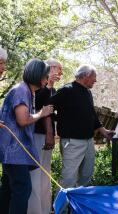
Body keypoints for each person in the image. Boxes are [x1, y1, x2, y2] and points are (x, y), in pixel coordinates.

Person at [49, 64, 113, 193]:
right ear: (85, 76)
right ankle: (61, 210)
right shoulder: (66, 90)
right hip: (71, 142)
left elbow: (92, 115)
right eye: (94, 77)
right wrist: (55, 125)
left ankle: (76, 206)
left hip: (88, 141)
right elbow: (48, 107)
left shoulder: (88, 92)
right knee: (68, 179)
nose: (95, 80)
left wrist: (103, 131)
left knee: (86, 174)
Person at [0, 59, 53, 214]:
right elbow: (23, 120)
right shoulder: (22, 90)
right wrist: (42, 113)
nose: (47, 78)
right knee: (23, 188)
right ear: (38, 75)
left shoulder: (27, 91)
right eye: (45, 75)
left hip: (12, 151)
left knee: (8, 188)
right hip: (13, 151)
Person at [27, 59, 63, 214]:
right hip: (36, 135)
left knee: (45, 175)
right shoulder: (35, 87)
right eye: (58, 69)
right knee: (35, 175)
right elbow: (40, 105)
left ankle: (45, 209)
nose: (60, 73)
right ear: (50, 68)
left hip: (46, 137)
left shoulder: (52, 89)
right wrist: (48, 85)